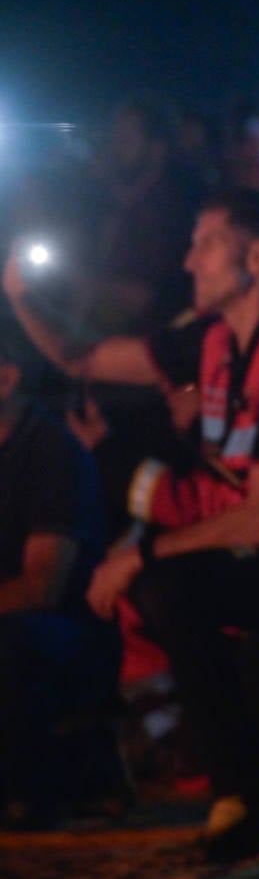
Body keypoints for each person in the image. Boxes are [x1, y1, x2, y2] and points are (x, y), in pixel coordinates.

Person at [2, 188, 259, 861]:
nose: (189, 262)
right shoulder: (214, 339)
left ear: (258, 255)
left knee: (166, 583)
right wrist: (18, 293)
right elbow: (81, 358)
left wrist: (140, 554)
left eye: (206, 243)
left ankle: (257, 786)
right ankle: (245, 791)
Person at [0, 332, 122, 830]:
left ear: (6, 378)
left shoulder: (49, 448)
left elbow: (41, 590)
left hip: (64, 631)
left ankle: (34, 786)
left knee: (13, 640)